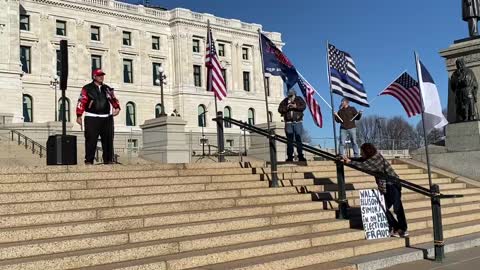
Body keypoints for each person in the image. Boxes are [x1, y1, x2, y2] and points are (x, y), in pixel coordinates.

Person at [343, 143, 408, 238]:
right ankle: (397, 227)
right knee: (382, 207)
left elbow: (363, 166)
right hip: (388, 185)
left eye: (362, 152)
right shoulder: (373, 157)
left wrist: (349, 162)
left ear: (367, 152)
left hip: (392, 184)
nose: (361, 154)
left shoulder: (375, 160)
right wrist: (350, 159)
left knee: (397, 208)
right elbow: (362, 160)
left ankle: (402, 228)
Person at [76, 69, 120, 165]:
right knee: (91, 140)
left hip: (106, 118)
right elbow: (81, 101)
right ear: (94, 76)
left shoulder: (107, 88)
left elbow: (113, 99)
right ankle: (89, 161)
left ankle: (108, 160)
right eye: (99, 75)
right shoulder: (87, 88)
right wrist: (79, 115)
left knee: (108, 140)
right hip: (92, 118)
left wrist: (117, 108)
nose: (101, 77)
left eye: (102, 75)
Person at [278, 89, 307, 162]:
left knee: (298, 139)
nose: (290, 97)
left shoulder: (299, 99)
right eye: (289, 95)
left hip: (298, 122)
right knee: (289, 141)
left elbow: (303, 106)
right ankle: (290, 157)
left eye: (291, 95)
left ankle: (300, 156)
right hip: (288, 123)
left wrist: (295, 106)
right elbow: (280, 109)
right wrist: (287, 107)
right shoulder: (284, 101)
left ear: (294, 94)